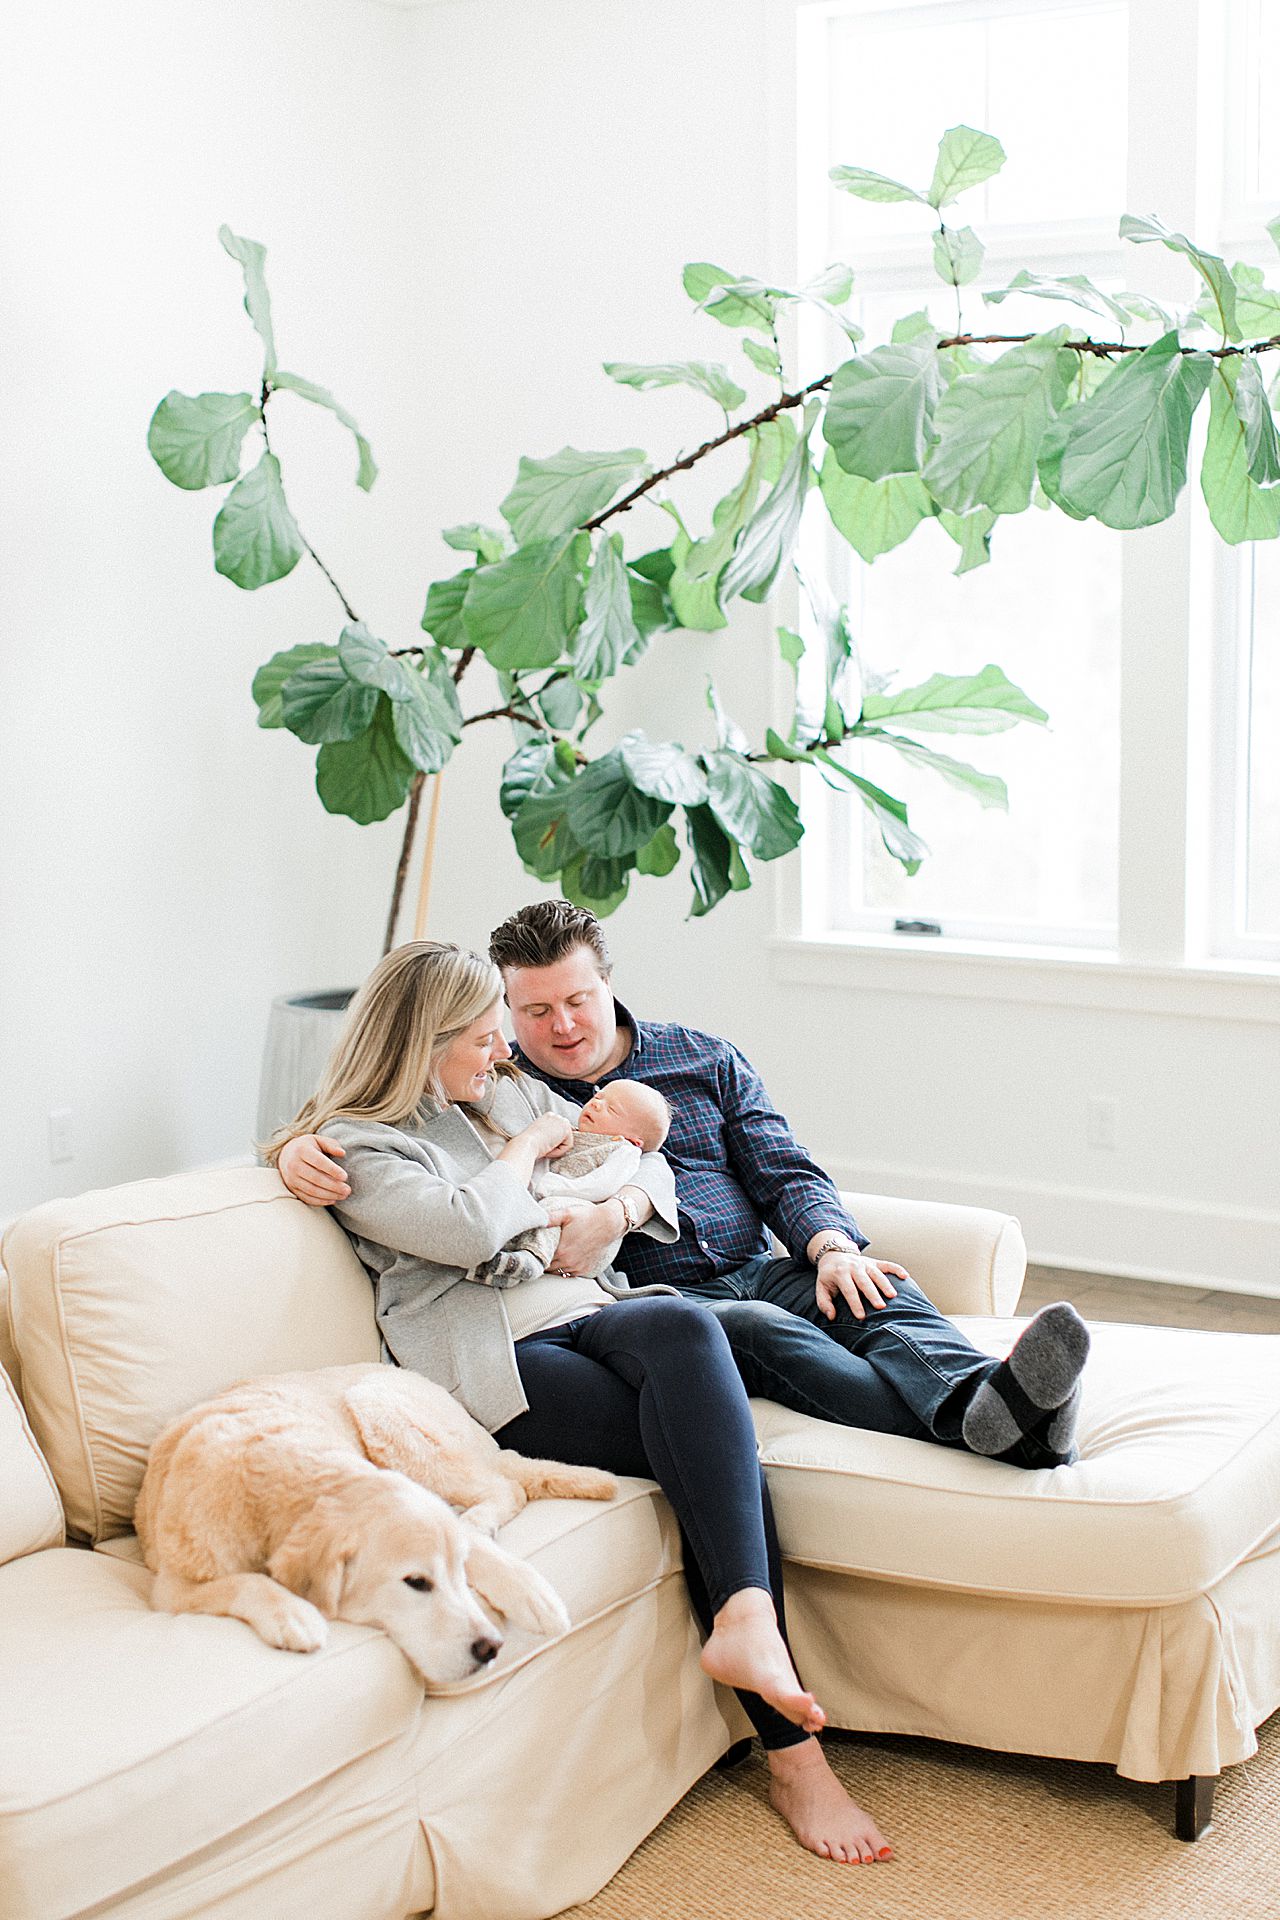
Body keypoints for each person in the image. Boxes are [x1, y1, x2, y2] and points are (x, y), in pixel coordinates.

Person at [266, 940, 894, 1867]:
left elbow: (644, 1158)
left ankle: (746, 1622)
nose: (503, 1057)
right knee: (703, 1443)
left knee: (690, 1330)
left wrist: (617, 1214)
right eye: (483, 1040)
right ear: (421, 1044)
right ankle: (793, 1749)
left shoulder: (504, 1088)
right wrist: (524, 1150)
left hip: (587, 1306)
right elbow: (466, 1227)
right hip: (498, 1362)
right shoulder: (362, 1144)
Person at [280, 903, 1090, 1471]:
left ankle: (998, 1403)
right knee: (766, 1333)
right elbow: (383, 1105)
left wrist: (833, 1245)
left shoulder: (700, 1057)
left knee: (874, 1292)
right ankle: (998, 1424)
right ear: (503, 1015)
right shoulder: (502, 1088)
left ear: (608, 985)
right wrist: (291, 1150)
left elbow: (782, 1167)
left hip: (761, 1261)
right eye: (532, 1012)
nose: (560, 1026)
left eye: (577, 999)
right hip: (665, 1297)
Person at [474, 1077, 672, 1286]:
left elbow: (602, 1184)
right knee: (534, 1210)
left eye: (612, 1110)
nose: (596, 1104)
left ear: (634, 1140)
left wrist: (557, 1188)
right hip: (555, 1205)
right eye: (598, 1097)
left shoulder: (623, 1150)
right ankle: (507, 1254)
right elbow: (542, 1164)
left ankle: (529, 1261)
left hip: (584, 1218)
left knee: (555, 1209)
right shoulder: (573, 1131)